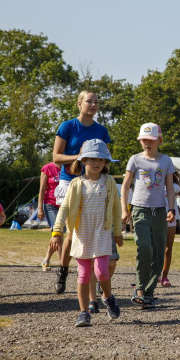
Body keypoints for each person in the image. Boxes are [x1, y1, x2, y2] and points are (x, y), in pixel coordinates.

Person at [49, 139, 123, 327]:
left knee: (102, 273)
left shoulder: (109, 182)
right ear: (83, 161)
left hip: (103, 233)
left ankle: (108, 297)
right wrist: (57, 231)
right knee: (83, 275)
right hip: (82, 234)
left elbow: (115, 208)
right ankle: (84, 313)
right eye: (92, 159)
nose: (96, 163)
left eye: (101, 160)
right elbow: (64, 208)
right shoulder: (76, 184)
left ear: (105, 162)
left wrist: (118, 232)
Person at [52, 91, 111, 294]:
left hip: (94, 182)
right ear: (79, 104)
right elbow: (56, 157)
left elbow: (106, 159)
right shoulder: (68, 126)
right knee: (72, 231)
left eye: (96, 101)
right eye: (89, 101)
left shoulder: (102, 130)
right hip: (70, 181)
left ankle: (96, 276)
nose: (93, 104)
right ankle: (63, 269)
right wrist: (80, 157)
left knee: (95, 227)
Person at [121, 123, 175, 307]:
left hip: (160, 211)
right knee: (145, 247)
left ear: (159, 140)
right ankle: (139, 287)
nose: (147, 144)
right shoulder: (135, 160)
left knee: (159, 253)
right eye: (144, 140)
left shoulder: (166, 161)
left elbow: (169, 187)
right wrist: (124, 210)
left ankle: (149, 293)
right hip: (140, 210)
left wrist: (172, 209)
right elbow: (126, 186)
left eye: (151, 140)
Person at [159, 168, 180, 287]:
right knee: (156, 249)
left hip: (171, 221)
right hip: (158, 219)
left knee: (168, 248)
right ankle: (154, 274)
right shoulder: (157, 185)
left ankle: (164, 276)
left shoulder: (174, 186)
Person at [37, 161, 61, 271]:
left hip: (64, 204)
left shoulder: (69, 167)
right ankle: (62, 264)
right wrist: (40, 208)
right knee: (58, 232)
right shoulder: (47, 168)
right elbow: (42, 190)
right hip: (50, 204)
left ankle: (46, 259)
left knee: (56, 235)